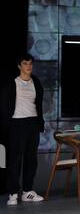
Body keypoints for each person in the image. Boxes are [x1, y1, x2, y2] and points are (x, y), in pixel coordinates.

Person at [0, 53, 45, 205]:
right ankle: (13, 193)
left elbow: (38, 104)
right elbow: (5, 107)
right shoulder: (12, 83)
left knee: (31, 159)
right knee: (15, 159)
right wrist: (8, 126)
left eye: (30, 63)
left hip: (33, 124)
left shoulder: (36, 82)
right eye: (25, 63)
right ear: (19, 66)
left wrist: (39, 123)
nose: (28, 66)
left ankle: (27, 192)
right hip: (17, 124)